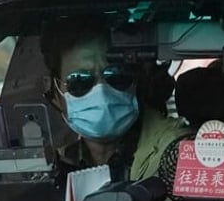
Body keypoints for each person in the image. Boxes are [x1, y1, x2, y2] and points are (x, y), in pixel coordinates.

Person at [39, 14, 192, 189]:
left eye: (116, 76)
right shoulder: (53, 166)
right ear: (55, 94)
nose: (102, 91)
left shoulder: (178, 153)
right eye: (79, 80)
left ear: (137, 82)